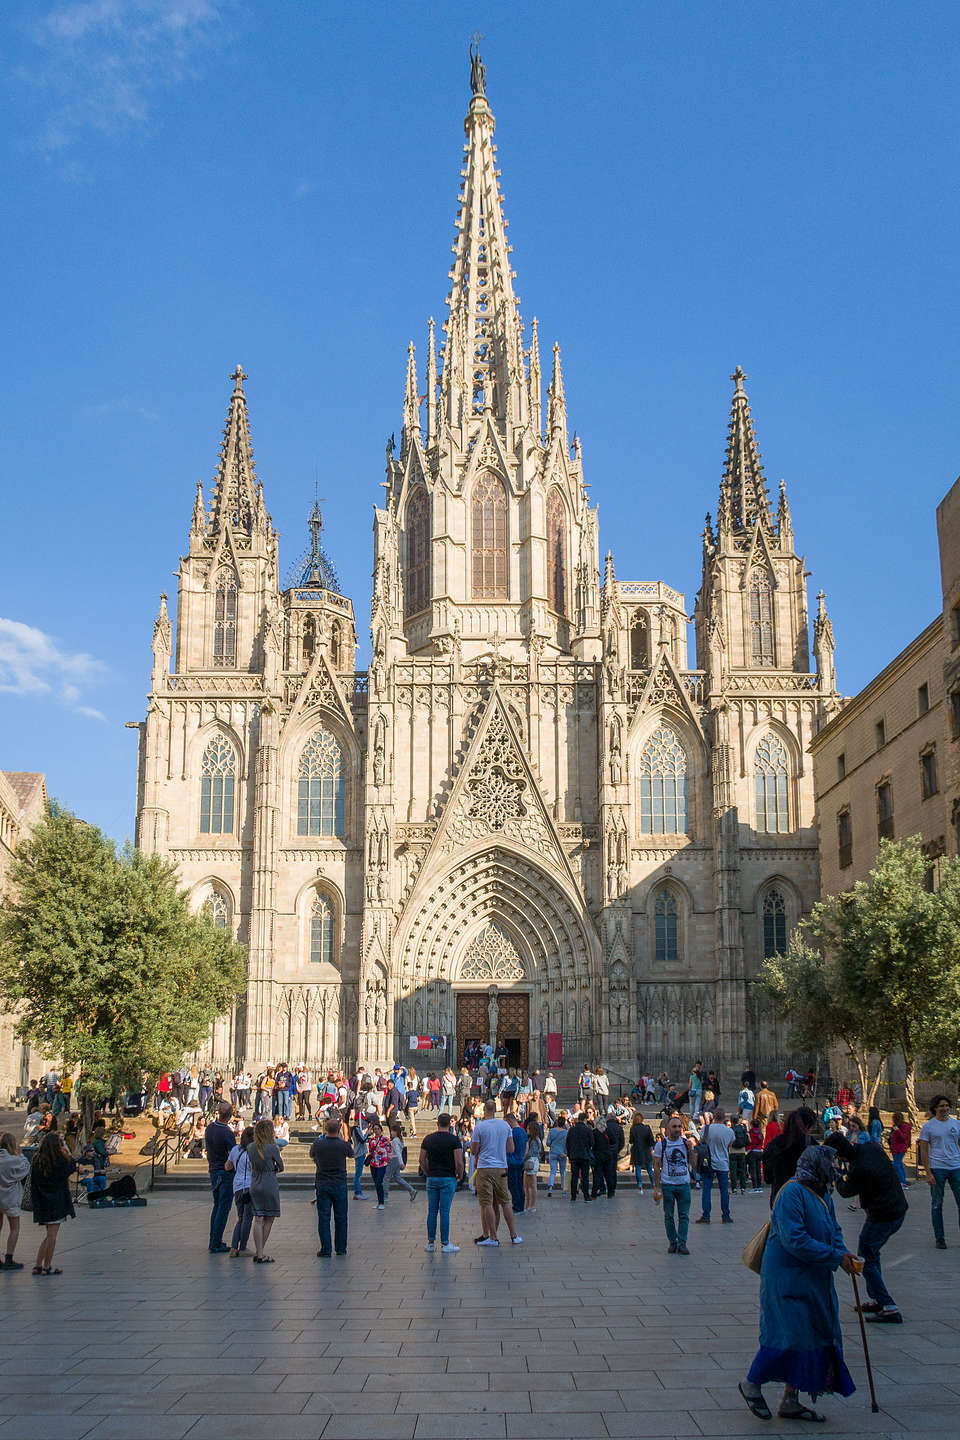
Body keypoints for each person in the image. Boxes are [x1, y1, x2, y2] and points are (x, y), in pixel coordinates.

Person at [739, 1145, 857, 1423]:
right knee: (787, 1334)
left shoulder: (822, 1192)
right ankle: (752, 1383)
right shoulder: (792, 1193)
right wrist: (834, 1256)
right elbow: (794, 1239)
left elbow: (834, 1228)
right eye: (831, 1163)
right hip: (787, 1277)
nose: (835, 1169)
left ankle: (791, 1400)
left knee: (811, 1334)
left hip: (814, 1275)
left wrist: (842, 1252)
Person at [825, 1130, 907, 1323]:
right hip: (897, 1208)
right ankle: (877, 1298)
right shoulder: (872, 1148)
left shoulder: (859, 1169)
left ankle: (889, 1306)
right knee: (871, 1254)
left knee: (866, 1256)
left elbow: (845, 1192)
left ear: (839, 1155)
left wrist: (836, 1174)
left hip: (882, 1215)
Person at [471, 1098, 522, 1245]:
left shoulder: (480, 1127)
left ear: (484, 1110)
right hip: (501, 1167)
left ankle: (492, 1237)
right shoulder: (505, 1126)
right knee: (505, 1202)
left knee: (486, 1203)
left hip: (484, 1168)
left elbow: (474, 1150)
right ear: (496, 1110)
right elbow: (511, 1148)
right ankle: (513, 1235)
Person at [29, 1132, 76, 1275]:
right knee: (52, 1236)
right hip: (57, 1202)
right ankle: (47, 1266)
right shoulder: (60, 1160)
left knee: (48, 1235)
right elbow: (72, 1166)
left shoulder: (37, 1160)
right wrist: (66, 1149)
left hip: (42, 1202)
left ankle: (38, 1265)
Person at [917, 1093, 960, 1249]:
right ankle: (940, 1238)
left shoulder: (956, 1124)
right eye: (941, 1106)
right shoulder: (928, 1126)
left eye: (947, 1106)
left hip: (956, 1167)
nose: (945, 1108)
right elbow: (923, 1151)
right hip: (937, 1168)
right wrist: (928, 1173)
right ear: (935, 1108)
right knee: (937, 1204)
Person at [420, 1111, 464, 1252]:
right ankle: (445, 1243)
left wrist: (428, 1172)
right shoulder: (453, 1140)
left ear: (437, 1123)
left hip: (433, 1177)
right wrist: (460, 1175)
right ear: (449, 1124)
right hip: (448, 1177)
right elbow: (459, 1161)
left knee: (432, 1210)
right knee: (444, 1211)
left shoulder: (428, 1139)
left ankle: (430, 1243)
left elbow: (421, 1160)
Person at [310, 1116, 353, 1258]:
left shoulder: (318, 1144)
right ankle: (341, 1248)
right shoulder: (343, 1145)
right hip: (339, 1183)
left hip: (322, 1183)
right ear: (339, 1129)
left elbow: (312, 1155)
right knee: (341, 1217)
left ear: (325, 1129)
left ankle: (326, 1249)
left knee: (323, 1218)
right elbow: (351, 1154)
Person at [653, 1113, 695, 1254]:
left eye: (679, 1126)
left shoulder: (685, 1143)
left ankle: (682, 1242)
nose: (677, 1129)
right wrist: (657, 1186)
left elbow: (694, 1164)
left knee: (684, 1215)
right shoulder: (661, 1145)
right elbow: (657, 1166)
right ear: (668, 1128)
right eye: (674, 1127)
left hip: (684, 1184)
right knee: (669, 1215)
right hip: (668, 1185)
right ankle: (672, 1241)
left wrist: (691, 1149)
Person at [762, 1106, 818, 1205]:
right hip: (806, 1197)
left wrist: (770, 1178)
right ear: (808, 1126)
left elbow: (767, 1167)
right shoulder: (812, 1144)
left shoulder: (776, 1143)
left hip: (781, 1193)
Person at [247, 1118, 283, 1263]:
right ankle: (260, 1252)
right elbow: (280, 1166)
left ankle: (259, 1252)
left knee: (258, 1218)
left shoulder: (250, 1147)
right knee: (269, 1217)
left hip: (255, 1181)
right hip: (269, 1181)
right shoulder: (272, 1148)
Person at [204, 1101, 237, 1254]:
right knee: (223, 1208)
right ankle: (216, 1241)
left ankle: (214, 1239)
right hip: (225, 1172)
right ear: (230, 1115)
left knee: (217, 1206)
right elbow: (233, 1155)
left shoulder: (210, 1128)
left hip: (213, 1169)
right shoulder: (227, 1133)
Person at [696, 1108, 734, 1223]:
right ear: (724, 1117)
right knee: (724, 1190)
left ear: (714, 1116)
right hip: (723, 1163)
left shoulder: (707, 1129)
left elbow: (701, 1141)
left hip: (708, 1162)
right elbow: (730, 1144)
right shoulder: (729, 1131)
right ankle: (726, 1215)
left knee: (706, 1189)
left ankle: (706, 1215)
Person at [0, 1133, 30, 1269]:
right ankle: (9, 1258)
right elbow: (26, 1168)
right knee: (14, 1228)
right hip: (10, 1198)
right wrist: (20, 1154)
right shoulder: (14, 1159)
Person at [226, 1124, 254, 1257]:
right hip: (249, 1186)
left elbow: (227, 1166)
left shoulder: (235, 1149)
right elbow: (254, 1170)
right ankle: (242, 1247)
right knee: (248, 1218)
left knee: (240, 1217)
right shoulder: (252, 1151)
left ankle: (233, 1247)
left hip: (236, 1185)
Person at [565, 1110, 594, 1203]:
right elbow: (592, 1143)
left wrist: (569, 1155)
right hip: (585, 1156)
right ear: (585, 1119)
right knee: (585, 1177)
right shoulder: (588, 1130)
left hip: (574, 1156)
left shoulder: (572, 1129)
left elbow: (567, 1143)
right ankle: (586, 1195)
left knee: (574, 1176)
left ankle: (573, 1196)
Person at [385, 1124, 417, 1202]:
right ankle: (411, 1190)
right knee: (397, 1178)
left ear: (396, 1132)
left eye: (392, 1131)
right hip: (396, 1160)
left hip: (393, 1160)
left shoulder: (395, 1141)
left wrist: (401, 1163)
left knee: (386, 1178)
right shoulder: (399, 1140)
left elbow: (398, 1153)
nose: (391, 1132)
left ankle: (384, 1196)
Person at [505, 1111, 527, 1213]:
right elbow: (527, 1147)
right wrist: (522, 1157)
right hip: (520, 1161)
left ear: (510, 1121)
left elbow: (509, 1147)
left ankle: (517, 1206)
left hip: (512, 1161)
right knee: (520, 1185)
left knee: (513, 1185)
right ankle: (521, 1205)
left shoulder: (512, 1132)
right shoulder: (523, 1132)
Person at [367, 1120, 392, 1207]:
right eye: (375, 1129)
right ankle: (379, 1202)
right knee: (376, 1183)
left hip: (382, 1164)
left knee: (378, 1182)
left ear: (381, 1130)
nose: (376, 1131)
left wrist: (388, 1161)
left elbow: (389, 1151)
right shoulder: (371, 1140)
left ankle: (381, 1202)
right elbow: (370, 1151)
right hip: (373, 1164)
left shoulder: (385, 1140)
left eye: (378, 1129)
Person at [630, 1111, 656, 1192]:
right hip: (646, 1150)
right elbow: (651, 1140)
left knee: (638, 1169)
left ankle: (640, 1185)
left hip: (637, 1151)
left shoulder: (633, 1128)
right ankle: (653, 1183)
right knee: (649, 1169)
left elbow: (631, 1141)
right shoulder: (647, 1128)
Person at [523, 1118, 543, 1213]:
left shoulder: (534, 1141)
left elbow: (531, 1153)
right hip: (532, 1161)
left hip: (531, 1161)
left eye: (528, 1129)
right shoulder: (534, 1140)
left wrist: (524, 1157)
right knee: (527, 1185)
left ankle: (531, 1205)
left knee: (531, 1185)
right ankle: (528, 1204)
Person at [545, 1112, 568, 1195]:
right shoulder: (566, 1132)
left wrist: (552, 1145)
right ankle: (563, 1190)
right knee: (562, 1171)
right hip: (562, 1153)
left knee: (553, 1171)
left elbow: (548, 1143)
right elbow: (567, 1143)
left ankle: (550, 1188)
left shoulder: (551, 1131)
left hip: (553, 1152)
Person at [888, 1111, 911, 1186]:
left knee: (896, 1165)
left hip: (900, 1148)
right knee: (899, 1165)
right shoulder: (896, 1126)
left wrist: (897, 1130)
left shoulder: (903, 1126)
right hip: (895, 1147)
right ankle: (903, 1180)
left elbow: (904, 1137)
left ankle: (902, 1182)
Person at [747, 1119, 765, 1193]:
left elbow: (749, 1141)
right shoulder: (760, 1132)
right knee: (758, 1169)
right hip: (759, 1151)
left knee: (753, 1170)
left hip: (752, 1151)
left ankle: (754, 1187)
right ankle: (759, 1186)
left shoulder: (751, 1132)